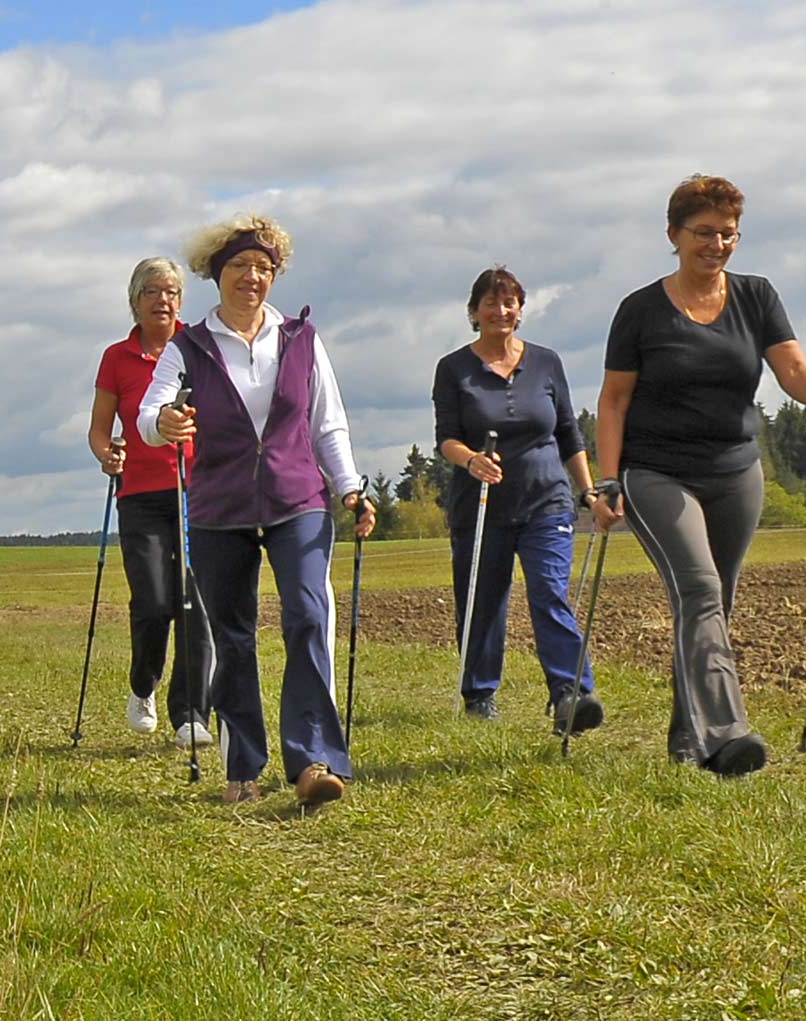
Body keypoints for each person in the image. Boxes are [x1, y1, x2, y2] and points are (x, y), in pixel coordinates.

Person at [590, 175, 806, 777]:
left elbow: (792, 369)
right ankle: (726, 736)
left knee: (714, 606)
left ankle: (687, 738)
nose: (716, 244)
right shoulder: (640, 310)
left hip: (736, 470)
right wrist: (605, 482)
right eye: (703, 233)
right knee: (700, 591)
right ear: (673, 235)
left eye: (728, 234)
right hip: (655, 473)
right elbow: (612, 402)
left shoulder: (756, 296)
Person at [143, 213, 378, 809]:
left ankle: (314, 760)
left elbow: (327, 422)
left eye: (264, 268)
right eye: (241, 266)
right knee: (233, 636)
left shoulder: (301, 339)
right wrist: (164, 423)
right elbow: (151, 415)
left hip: (296, 499)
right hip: (219, 507)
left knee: (306, 614)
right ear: (215, 273)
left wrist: (349, 488)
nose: (253, 277)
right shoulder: (187, 347)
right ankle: (242, 765)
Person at [431, 266, 605, 735]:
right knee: (482, 601)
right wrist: (471, 461)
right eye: (490, 302)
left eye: (509, 302)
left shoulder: (547, 363)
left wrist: (587, 490)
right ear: (474, 312)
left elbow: (569, 431)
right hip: (481, 506)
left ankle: (571, 693)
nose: (500, 311)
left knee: (549, 592)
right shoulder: (453, 369)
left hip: (547, 501)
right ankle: (480, 693)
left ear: (520, 311)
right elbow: (445, 438)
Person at [87, 257, 207, 745]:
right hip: (140, 494)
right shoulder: (117, 357)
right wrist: (106, 454)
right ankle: (143, 686)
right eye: (153, 292)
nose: (164, 300)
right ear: (135, 301)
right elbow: (99, 431)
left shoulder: (198, 347)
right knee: (156, 602)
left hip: (200, 492)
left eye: (173, 292)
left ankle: (191, 713)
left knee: (197, 603)